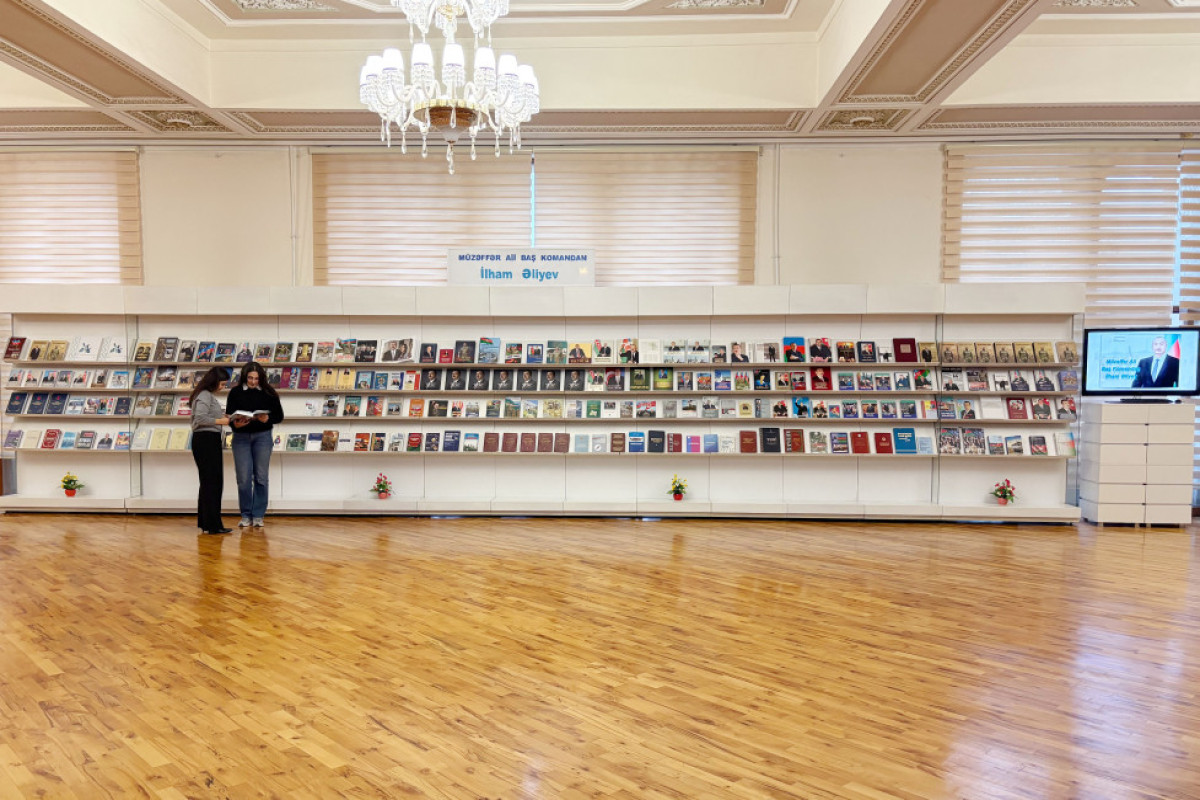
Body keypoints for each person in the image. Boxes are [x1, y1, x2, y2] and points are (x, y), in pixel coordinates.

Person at [226, 361, 284, 529]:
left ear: (261, 378)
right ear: (245, 377)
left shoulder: (269, 392)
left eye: (256, 379)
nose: (253, 382)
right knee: (243, 478)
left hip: (262, 437)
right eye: (250, 378)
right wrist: (235, 425)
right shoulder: (235, 392)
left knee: (261, 477)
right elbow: (229, 416)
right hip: (241, 438)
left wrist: (267, 418)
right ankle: (246, 515)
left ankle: (258, 515)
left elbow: (279, 416)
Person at [190, 367, 232, 534]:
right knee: (212, 482)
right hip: (206, 439)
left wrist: (224, 418)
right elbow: (200, 418)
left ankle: (208, 523)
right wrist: (221, 421)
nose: (223, 387)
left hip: (208, 439)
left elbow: (205, 416)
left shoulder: (205, 395)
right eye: (221, 384)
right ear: (213, 382)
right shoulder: (205, 395)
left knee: (209, 482)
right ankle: (213, 524)